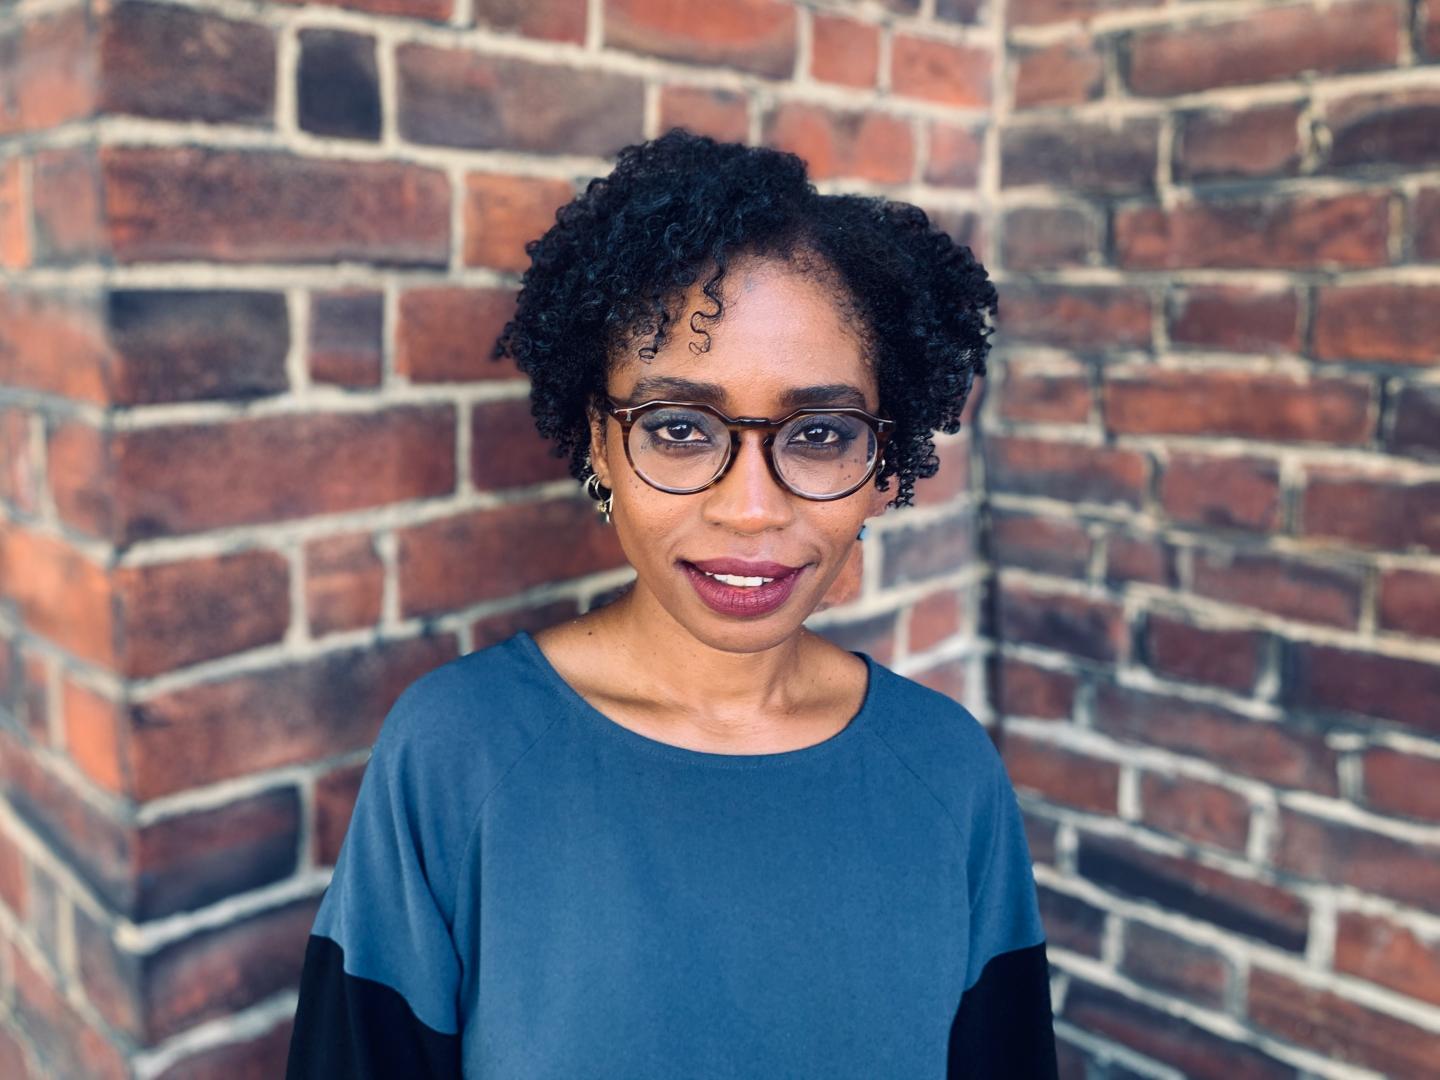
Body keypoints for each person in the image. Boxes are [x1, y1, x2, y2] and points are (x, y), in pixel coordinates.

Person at [285, 129, 1058, 1079]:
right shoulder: (457, 756)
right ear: (597, 447)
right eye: (680, 427)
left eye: (819, 432)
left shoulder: (947, 774)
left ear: (882, 466)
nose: (750, 507)